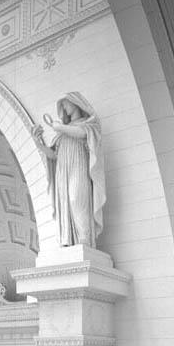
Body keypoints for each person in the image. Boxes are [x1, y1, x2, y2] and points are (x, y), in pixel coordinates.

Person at [32, 92, 105, 248]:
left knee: (76, 198)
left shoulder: (87, 124)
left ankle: (84, 239)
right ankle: (69, 240)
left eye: (66, 103)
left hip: (78, 166)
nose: (64, 107)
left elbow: (81, 133)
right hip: (62, 171)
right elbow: (53, 154)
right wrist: (38, 143)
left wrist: (61, 127)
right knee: (66, 202)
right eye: (63, 105)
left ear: (76, 103)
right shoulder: (61, 133)